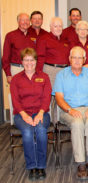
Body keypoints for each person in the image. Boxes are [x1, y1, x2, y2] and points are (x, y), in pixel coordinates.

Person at [53, 46, 88, 180]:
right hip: (68, 110)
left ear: (85, 59)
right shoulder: (61, 75)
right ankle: (80, 163)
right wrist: (70, 110)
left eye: (80, 57)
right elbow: (59, 98)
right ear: (69, 59)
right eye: (74, 57)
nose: (77, 60)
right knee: (77, 123)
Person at [10, 48, 51, 181]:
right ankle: (32, 166)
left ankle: (41, 165)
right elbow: (15, 101)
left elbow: (46, 99)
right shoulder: (16, 79)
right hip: (22, 114)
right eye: (26, 60)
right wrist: (25, 116)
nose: (29, 63)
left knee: (40, 130)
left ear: (36, 61)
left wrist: (40, 114)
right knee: (27, 132)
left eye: (32, 60)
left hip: (41, 113)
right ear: (22, 61)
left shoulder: (44, 77)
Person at [2, 13, 35, 84]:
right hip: (16, 69)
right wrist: (8, 74)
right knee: (15, 94)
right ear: (18, 21)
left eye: (27, 20)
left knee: (31, 93)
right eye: (23, 20)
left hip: (31, 69)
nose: (25, 22)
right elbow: (5, 57)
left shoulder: (34, 36)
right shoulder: (10, 36)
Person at [37, 17, 69, 86]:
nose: (58, 28)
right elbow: (40, 57)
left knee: (62, 95)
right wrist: (38, 73)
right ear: (51, 27)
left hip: (64, 72)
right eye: (55, 26)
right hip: (51, 71)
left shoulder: (65, 40)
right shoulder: (44, 39)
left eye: (60, 26)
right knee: (50, 94)